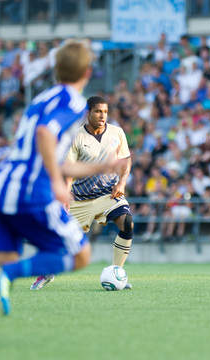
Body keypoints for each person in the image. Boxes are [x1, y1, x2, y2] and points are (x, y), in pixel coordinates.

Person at [0, 40, 123, 355]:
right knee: (81, 254)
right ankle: (10, 276)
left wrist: (99, 165)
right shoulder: (72, 101)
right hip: (29, 192)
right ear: (87, 71)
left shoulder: (42, 97)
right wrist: (56, 181)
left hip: (2, 188)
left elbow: (48, 151)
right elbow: (45, 135)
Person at [30, 96, 133, 291]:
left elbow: (126, 160)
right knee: (59, 238)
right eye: (98, 111)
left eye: (105, 111)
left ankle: (117, 273)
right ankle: (47, 273)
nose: (102, 115)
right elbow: (69, 168)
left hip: (107, 195)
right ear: (88, 113)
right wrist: (64, 195)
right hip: (80, 199)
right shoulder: (75, 136)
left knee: (127, 222)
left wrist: (122, 182)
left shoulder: (117, 133)